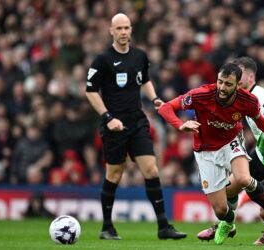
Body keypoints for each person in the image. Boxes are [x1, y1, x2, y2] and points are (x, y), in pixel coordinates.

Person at [158, 62, 264, 245]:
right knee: (221, 209)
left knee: (244, 179)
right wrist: (180, 125)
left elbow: (263, 123)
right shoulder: (201, 94)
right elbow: (165, 108)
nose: (222, 87)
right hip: (205, 151)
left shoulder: (248, 101)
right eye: (220, 82)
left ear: (238, 84)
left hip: (231, 143)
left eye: (228, 84)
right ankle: (228, 223)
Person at [85, 13, 186, 240]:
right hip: (114, 125)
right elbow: (90, 91)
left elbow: (145, 80)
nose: (123, 32)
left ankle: (163, 226)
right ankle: (107, 227)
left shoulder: (140, 56)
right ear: (111, 31)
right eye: (119, 28)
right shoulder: (102, 60)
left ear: (131, 30)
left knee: (151, 169)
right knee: (114, 173)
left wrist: (155, 99)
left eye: (127, 28)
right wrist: (108, 117)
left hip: (137, 121)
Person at [197, 57, 264, 245]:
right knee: (230, 189)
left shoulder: (260, 97)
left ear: (250, 76)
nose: (235, 78)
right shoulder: (246, 95)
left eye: (239, 75)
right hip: (262, 157)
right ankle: (227, 224)